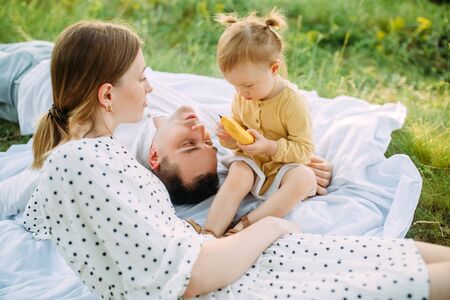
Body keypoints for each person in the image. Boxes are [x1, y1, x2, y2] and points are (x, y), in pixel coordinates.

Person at [15, 20, 450, 300]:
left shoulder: (92, 155)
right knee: (387, 280)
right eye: (142, 78)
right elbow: (185, 281)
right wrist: (270, 227)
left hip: (229, 260)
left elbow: (70, 222)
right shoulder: (79, 163)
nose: (150, 87)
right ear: (107, 95)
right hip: (229, 280)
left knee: (379, 255)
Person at [205, 10, 317, 237]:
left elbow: (304, 150)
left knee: (304, 178)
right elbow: (240, 141)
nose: (241, 93)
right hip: (254, 167)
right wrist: (230, 139)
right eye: (235, 86)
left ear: (273, 69)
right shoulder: (242, 96)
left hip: (283, 168)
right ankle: (209, 232)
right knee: (239, 170)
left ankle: (245, 225)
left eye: (247, 86)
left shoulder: (292, 104)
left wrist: (270, 147)